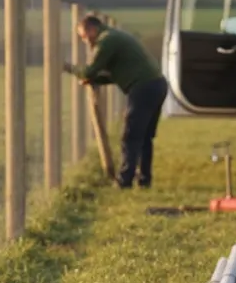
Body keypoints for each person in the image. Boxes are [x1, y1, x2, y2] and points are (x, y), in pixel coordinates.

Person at [64, 15, 169, 189]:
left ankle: (124, 180)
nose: (84, 41)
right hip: (157, 85)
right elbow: (116, 74)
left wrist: (69, 68)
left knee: (131, 136)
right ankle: (144, 180)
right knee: (144, 137)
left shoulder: (106, 41)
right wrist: (94, 80)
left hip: (143, 88)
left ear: (92, 30)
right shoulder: (115, 36)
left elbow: (89, 71)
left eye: (83, 36)